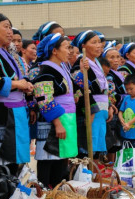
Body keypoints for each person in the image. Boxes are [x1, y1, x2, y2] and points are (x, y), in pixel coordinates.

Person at [0, 11, 33, 182]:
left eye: (11, 27)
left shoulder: (6, 54)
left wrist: (25, 86)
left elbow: (15, 78)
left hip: (14, 114)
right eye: (6, 27)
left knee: (13, 166)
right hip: (1, 115)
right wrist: (18, 85)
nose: (10, 32)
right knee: (0, 168)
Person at [32, 33, 78, 187]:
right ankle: (44, 193)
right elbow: (44, 99)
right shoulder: (46, 71)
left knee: (60, 159)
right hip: (52, 122)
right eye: (67, 47)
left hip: (66, 119)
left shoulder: (61, 68)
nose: (70, 51)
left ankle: (56, 193)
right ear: (54, 51)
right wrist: (58, 124)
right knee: (48, 159)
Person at [71, 30, 114, 156]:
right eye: (94, 42)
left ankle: (95, 173)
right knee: (90, 145)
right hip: (92, 109)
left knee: (99, 145)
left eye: (99, 42)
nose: (99, 45)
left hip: (102, 108)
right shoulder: (81, 63)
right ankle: (88, 173)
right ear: (83, 46)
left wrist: (109, 106)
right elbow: (78, 87)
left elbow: (103, 88)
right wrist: (90, 109)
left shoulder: (97, 63)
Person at [104, 46, 127, 161]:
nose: (116, 60)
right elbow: (111, 93)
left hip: (122, 109)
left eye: (118, 57)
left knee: (118, 140)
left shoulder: (119, 74)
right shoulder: (109, 75)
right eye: (111, 57)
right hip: (115, 109)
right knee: (112, 140)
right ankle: (111, 163)